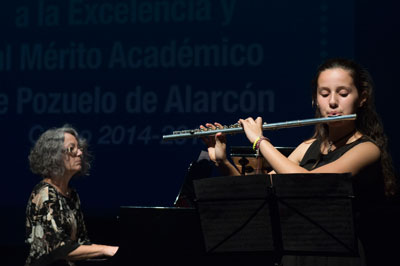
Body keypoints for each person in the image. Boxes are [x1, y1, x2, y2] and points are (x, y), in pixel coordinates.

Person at [202, 58, 397, 265]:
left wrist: (259, 141)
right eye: (324, 94)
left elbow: (309, 183)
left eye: (343, 93)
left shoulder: (367, 150)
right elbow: (257, 193)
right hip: (296, 253)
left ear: (362, 98)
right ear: (315, 99)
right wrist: (223, 163)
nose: (332, 102)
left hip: (340, 257)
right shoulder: (306, 148)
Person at [25, 125, 118, 266]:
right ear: (54, 156)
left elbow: (81, 243)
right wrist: (106, 249)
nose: (80, 153)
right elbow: (59, 248)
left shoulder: (71, 195)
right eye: (71, 149)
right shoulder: (45, 195)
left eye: (79, 148)